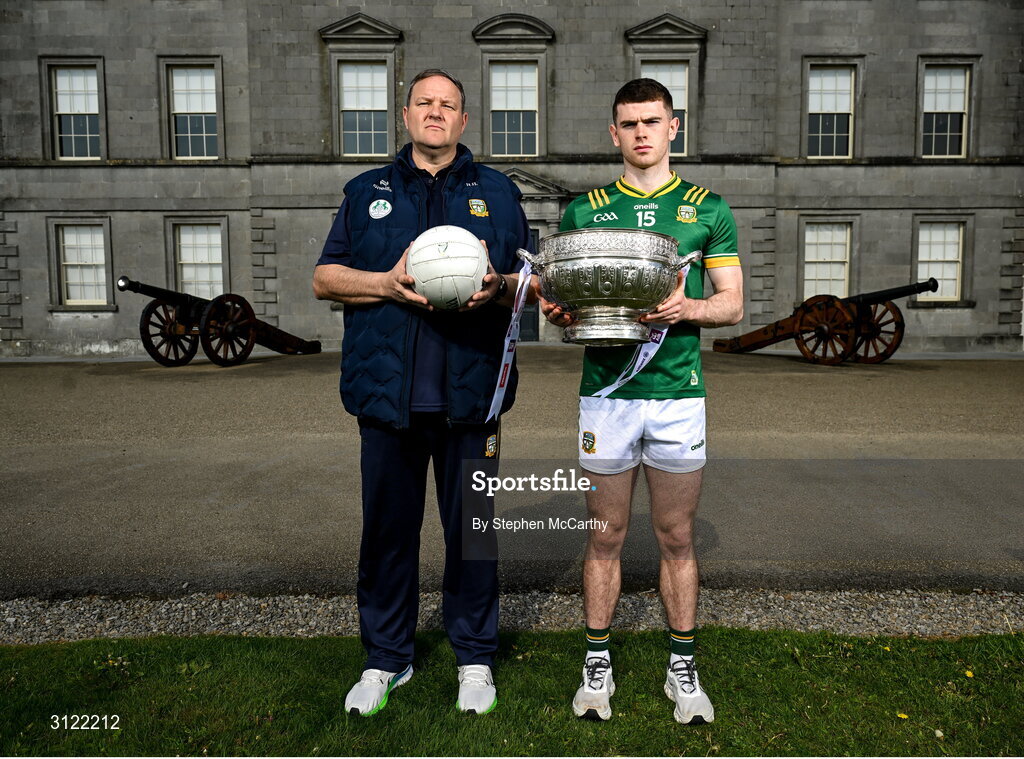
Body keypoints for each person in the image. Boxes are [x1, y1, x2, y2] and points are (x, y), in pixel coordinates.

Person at [313, 69, 534, 717]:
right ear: (405, 115)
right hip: (388, 398)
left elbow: (532, 283)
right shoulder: (365, 193)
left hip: (472, 397)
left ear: (464, 120)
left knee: (472, 535)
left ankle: (475, 656)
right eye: (424, 103)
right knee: (387, 534)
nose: (436, 113)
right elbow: (325, 279)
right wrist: (383, 283)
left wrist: (499, 286)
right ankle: (386, 658)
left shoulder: (499, 193)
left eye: (449, 105)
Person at [543, 78, 743, 724]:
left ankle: (682, 667)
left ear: (673, 126)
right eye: (629, 123)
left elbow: (732, 304)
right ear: (614, 133)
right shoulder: (586, 210)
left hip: (678, 395)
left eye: (651, 121)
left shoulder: (708, 208)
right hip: (608, 396)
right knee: (604, 535)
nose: (640, 133)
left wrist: (688, 307)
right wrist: (559, 311)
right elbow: (564, 303)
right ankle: (596, 664)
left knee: (676, 536)